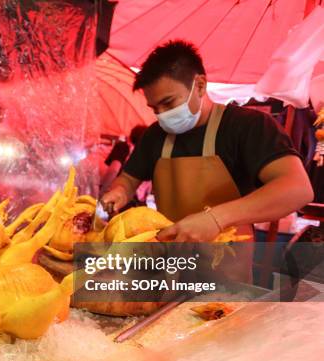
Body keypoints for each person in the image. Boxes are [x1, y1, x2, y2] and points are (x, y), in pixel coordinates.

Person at [101, 40, 313, 245]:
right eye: (154, 108)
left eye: (168, 103)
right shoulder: (155, 135)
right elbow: (129, 179)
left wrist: (216, 218)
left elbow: (297, 189)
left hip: (226, 267)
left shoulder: (249, 126)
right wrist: (119, 191)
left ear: (200, 85)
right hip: (169, 260)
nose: (162, 115)